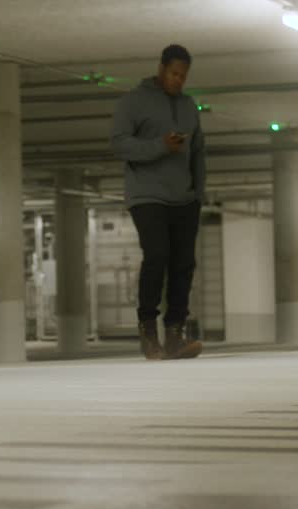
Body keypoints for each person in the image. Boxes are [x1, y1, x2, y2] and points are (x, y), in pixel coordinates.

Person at [110, 44, 206, 360]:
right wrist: (160, 146)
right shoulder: (134, 102)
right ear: (162, 68)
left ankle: (175, 332)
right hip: (147, 194)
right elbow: (120, 145)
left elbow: (199, 151)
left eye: (183, 76)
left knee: (184, 263)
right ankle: (148, 330)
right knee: (157, 255)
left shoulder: (190, 106)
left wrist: (198, 191)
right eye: (174, 73)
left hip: (184, 198)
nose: (178, 80)